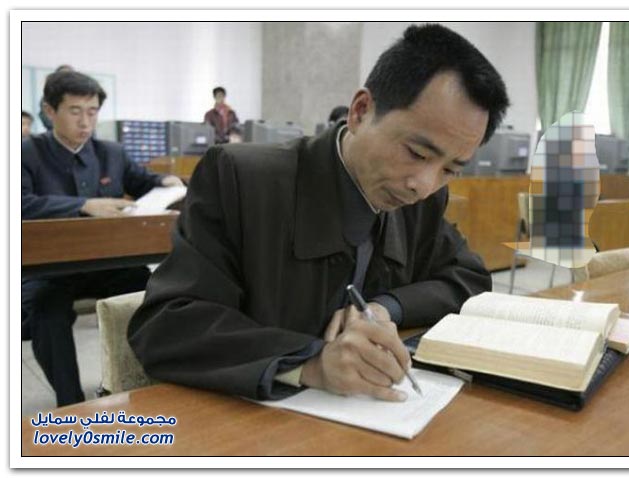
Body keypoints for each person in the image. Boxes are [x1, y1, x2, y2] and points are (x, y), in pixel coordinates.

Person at [129, 24, 509, 403]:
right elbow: (167, 324)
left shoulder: (423, 201)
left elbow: (467, 278)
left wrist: (385, 307)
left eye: (450, 169)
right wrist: (313, 362)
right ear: (361, 111)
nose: (423, 185)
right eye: (417, 153)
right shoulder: (241, 179)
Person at [21, 70, 184, 406]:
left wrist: (165, 183)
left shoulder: (111, 152)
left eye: (92, 112)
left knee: (153, 290)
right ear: (50, 111)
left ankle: (151, 383)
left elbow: (143, 181)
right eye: (75, 111)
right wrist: (83, 205)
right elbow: (20, 203)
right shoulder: (26, 153)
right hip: (49, 269)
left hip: (107, 264)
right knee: (46, 311)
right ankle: (69, 403)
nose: (85, 122)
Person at [38, 64, 74, 131]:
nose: (67, 79)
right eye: (63, 76)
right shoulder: (48, 96)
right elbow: (45, 117)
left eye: (70, 76)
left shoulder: (78, 95)